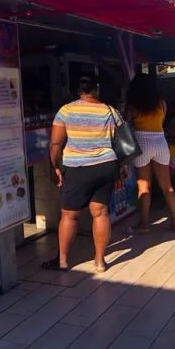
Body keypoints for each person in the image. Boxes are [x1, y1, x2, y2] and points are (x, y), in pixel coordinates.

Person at [45, 74, 121, 273]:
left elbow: (55, 143)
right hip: (106, 165)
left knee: (69, 216)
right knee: (101, 213)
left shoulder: (66, 110)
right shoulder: (110, 110)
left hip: (78, 168)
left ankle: (62, 261)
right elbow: (118, 140)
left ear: (78, 90)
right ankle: (99, 261)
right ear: (96, 89)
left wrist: (55, 167)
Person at [125, 73, 175, 233]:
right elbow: (160, 122)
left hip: (141, 143)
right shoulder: (161, 103)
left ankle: (144, 224)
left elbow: (126, 123)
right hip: (160, 143)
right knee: (167, 187)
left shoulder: (133, 106)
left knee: (144, 187)